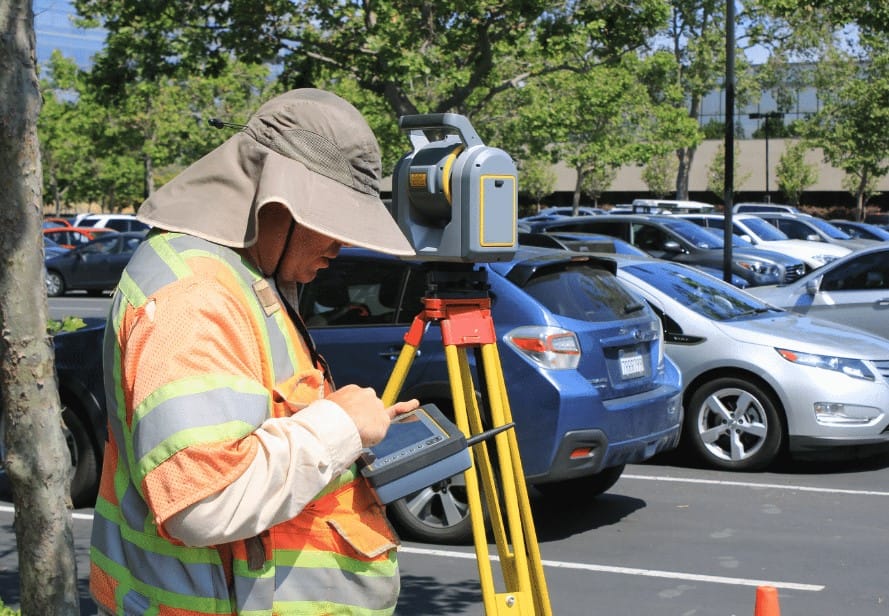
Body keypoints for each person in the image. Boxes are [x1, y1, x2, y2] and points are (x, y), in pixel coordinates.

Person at [89, 88, 421, 615]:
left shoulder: (239, 275)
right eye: (332, 221)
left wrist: (357, 429)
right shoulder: (197, 295)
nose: (342, 246)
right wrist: (340, 426)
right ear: (277, 203)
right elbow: (204, 501)